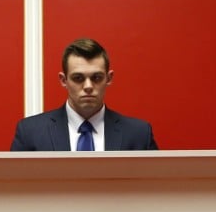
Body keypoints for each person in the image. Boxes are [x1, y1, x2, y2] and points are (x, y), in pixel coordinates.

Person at [10, 37, 158, 151]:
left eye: (97, 78)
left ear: (109, 78)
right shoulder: (31, 132)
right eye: (78, 78)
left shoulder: (138, 134)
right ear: (63, 80)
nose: (88, 86)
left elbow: (157, 188)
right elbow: (15, 188)